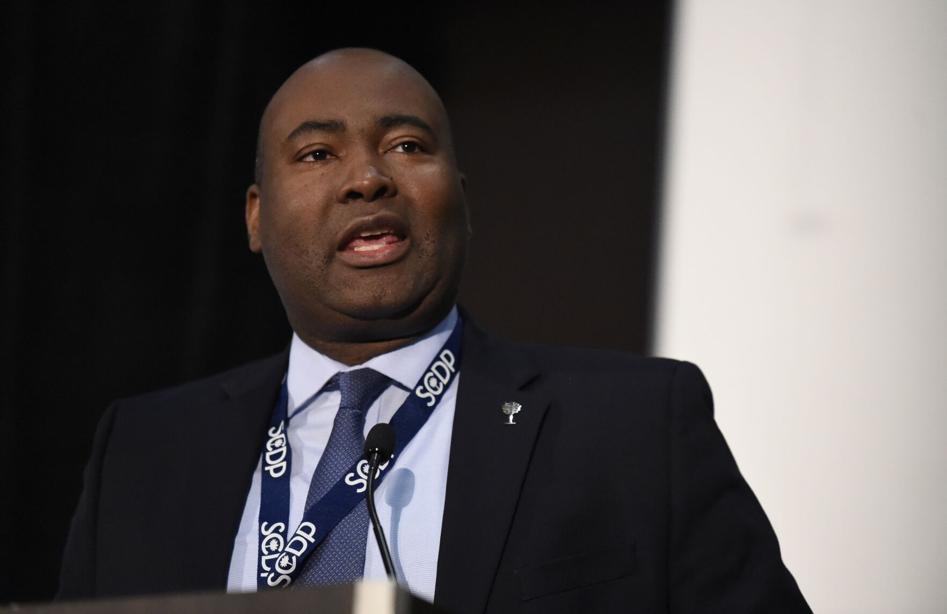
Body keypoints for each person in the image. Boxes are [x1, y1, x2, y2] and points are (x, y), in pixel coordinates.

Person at [58, 48, 811, 613]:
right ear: (256, 216)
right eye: (318, 154)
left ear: (461, 196)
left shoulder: (634, 426)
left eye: (408, 146)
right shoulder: (145, 451)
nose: (367, 179)